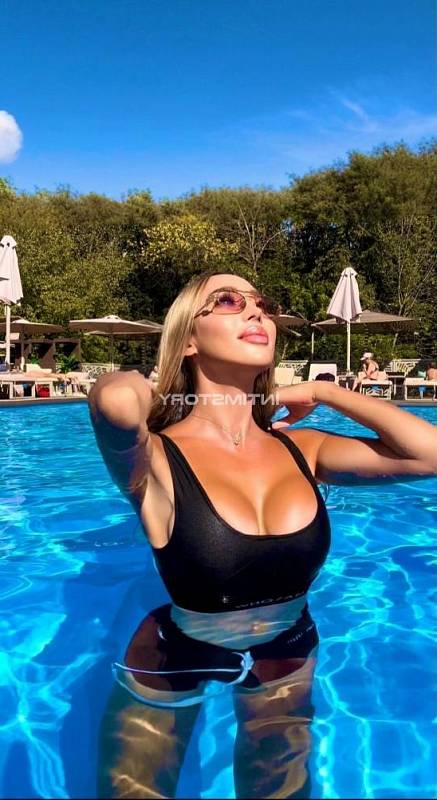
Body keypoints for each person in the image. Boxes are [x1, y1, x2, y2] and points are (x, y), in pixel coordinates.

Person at [89, 272, 437, 799]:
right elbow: (115, 400)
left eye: (262, 303)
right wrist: (175, 385)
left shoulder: (304, 449)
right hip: (177, 651)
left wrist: (322, 391)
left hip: (287, 646)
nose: (256, 312)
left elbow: (428, 454)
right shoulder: (155, 459)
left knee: (281, 791)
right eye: (229, 301)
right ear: (188, 338)